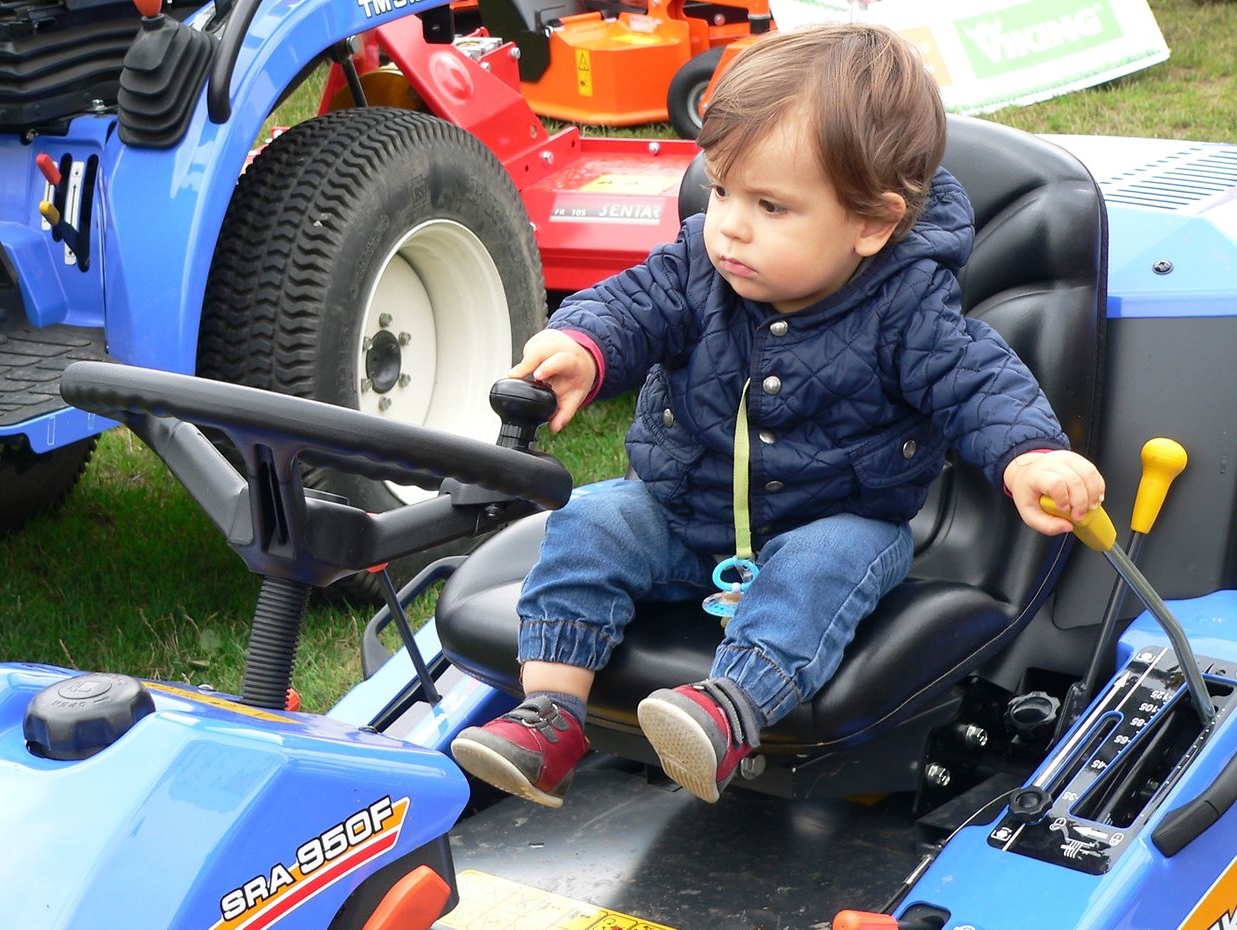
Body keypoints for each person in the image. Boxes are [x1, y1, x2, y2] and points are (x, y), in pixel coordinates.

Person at [450, 23, 1105, 809]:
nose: (729, 222)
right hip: (684, 514)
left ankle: (727, 711)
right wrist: (583, 347)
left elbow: (976, 381)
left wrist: (1031, 456)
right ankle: (549, 717)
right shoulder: (702, 261)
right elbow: (631, 305)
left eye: (770, 205)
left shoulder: (908, 307)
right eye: (722, 188)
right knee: (593, 519)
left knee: (820, 564)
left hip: (839, 520)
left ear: (871, 224)